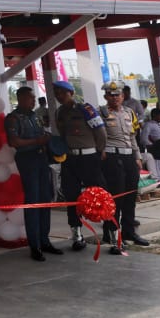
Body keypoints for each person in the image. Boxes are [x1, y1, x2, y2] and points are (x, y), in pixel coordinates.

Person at [4, 87, 62, 262]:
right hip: (27, 160)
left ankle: (45, 240)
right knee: (33, 201)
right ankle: (34, 245)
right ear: (21, 98)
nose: (33, 101)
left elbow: (42, 133)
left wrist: (47, 139)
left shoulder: (35, 116)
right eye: (30, 98)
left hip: (41, 158)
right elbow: (14, 142)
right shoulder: (13, 118)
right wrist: (37, 141)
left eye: (34, 98)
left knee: (45, 200)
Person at [53, 80, 107, 251]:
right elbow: (62, 135)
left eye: (62, 92)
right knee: (71, 196)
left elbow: (101, 132)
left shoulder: (86, 109)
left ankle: (110, 230)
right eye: (56, 93)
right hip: (70, 159)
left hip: (89, 157)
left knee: (98, 194)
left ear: (71, 93)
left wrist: (99, 151)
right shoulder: (59, 112)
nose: (59, 96)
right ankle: (77, 234)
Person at [99, 81, 150, 254]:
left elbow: (133, 136)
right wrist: (101, 151)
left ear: (123, 96)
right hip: (112, 156)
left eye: (118, 95)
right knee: (116, 198)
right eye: (111, 95)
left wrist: (137, 156)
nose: (115, 98)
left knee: (130, 196)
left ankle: (129, 231)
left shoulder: (129, 112)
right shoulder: (101, 112)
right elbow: (97, 135)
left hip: (129, 156)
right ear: (106, 96)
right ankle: (112, 234)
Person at [140, 109, 160, 181]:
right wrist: (153, 146)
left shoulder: (159, 126)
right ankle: (159, 180)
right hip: (157, 150)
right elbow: (143, 139)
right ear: (154, 115)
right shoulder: (148, 125)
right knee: (158, 166)